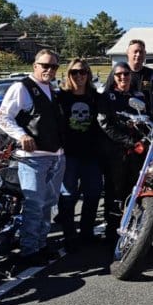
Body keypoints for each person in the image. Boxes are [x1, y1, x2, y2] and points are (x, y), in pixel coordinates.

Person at [0, 48, 66, 268]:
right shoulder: (22, 88)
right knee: (34, 205)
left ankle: (41, 245)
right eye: (45, 65)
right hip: (33, 158)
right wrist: (21, 135)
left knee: (48, 205)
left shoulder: (52, 90)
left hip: (56, 156)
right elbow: (2, 116)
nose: (49, 70)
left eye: (53, 66)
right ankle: (28, 251)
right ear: (35, 66)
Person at [98, 62, 149, 240]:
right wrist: (128, 142)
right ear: (113, 76)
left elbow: (147, 120)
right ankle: (112, 231)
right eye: (119, 74)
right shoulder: (107, 96)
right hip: (116, 152)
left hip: (138, 151)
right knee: (114, 191)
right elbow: (105, 124)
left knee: (135, 190)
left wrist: (144, 139)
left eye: (126, 74)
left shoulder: (139, 95)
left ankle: (136, 228)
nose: (123, 77)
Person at [57, 58, 104, 246]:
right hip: (68, 154)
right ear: (68, 74)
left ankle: (87, 232)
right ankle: (69, 235)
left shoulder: (95, 96)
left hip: (91, 154)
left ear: (88, 74)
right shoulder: (61, 97)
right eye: (74, 72)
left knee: (93, 194)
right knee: (67, 196)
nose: (79, 75)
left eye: (83, 72)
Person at [125, 38, 153, 117]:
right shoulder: (121, 74)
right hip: (127, 120)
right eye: (135, 51)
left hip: (149, 120)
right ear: (128, 53)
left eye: (141, 52)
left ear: (145, 54)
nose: (138, 54)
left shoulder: (152, 74)